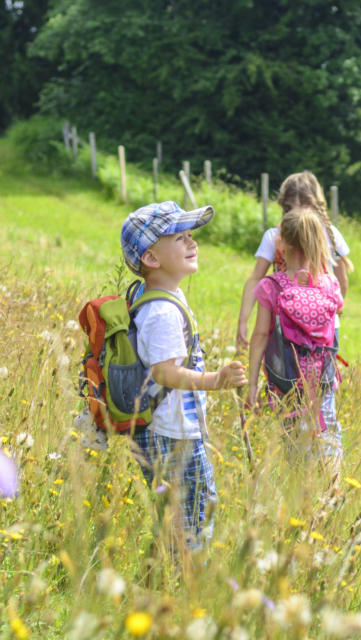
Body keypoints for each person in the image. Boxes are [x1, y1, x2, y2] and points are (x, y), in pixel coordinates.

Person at [120, 201, 247, 549]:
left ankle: (172, 580)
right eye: (180, 238)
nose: (192, 243)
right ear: (151, 258)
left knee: (179, 519)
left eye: (191, 235)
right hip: (171, 434)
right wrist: (215, 381)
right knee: (195, 517)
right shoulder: (161, 310)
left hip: (167, 429)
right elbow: (163, 372)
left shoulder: (164, 295)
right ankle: (189, 585)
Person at [248, 208, 344, 464]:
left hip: (285, 380)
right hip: (322, 380)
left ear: (283, 244)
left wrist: (252, 383)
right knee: (328, 434)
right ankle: (331, 491)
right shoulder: (329, 284)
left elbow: (259, 336)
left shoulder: (272, 286)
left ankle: (300, 495)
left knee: (293, 443)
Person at [236, 171, 351, 351]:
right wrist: (243, 320)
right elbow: (255, 279)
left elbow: (341, 278)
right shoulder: (274, 236)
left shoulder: (330, 235)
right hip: (289, 326)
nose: (297, 213)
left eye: (304, 207)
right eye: (291, 208)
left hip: (310, 326)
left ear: (316, 207)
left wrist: (334, 311)